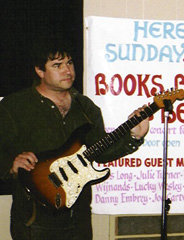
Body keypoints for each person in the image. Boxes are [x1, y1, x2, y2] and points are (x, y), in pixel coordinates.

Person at [0, 38, 150, 240]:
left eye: (69, 63)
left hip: (77, 219)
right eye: (57, 65)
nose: (67, 70)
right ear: (39, 71)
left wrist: (134, 136)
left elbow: (102, 152)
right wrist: (10, 163)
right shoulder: (15, 106)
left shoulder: (86, 108)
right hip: (34, 219)